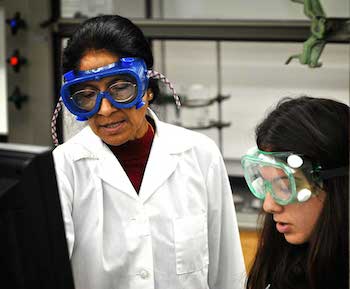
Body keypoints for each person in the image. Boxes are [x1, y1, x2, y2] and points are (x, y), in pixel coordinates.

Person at [52, 15, 246, 289]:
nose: (105, 109)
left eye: (120, 89)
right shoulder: (63, 169)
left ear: (147, 89)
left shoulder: (199, 155)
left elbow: (228, 274)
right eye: (87, 95)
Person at [241, 96, 349, 289]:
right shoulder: (282, 263)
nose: (268, 205)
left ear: (337, 185)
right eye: (266, 184)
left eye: (284, 186)